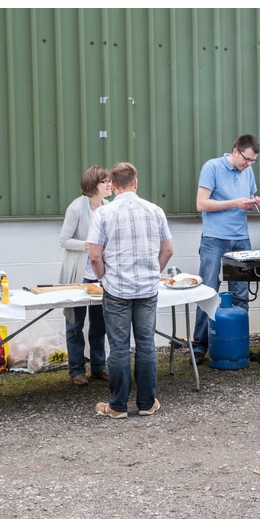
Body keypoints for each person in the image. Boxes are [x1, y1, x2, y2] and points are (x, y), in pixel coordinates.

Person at [87, 162, 174, 419]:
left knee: (119, 347)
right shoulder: (155, 210)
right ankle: (147, 403)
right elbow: (168, 250)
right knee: (146, 345)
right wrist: (152, 271)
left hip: (116, 290)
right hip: (147, 289)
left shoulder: (103, 213)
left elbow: (94, 256)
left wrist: (104, 277)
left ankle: (117, 406)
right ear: (136, 183)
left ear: (112, 186)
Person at [191, 134, 260, 364]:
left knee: (241, 294)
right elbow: (201, 203)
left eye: (253, 161)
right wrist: (235, 202)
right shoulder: (212, 167)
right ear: (235, 151)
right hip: (215, 239)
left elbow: (246, 202)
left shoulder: (248, 171)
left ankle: (239, 343)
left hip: (241, 238)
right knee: (208, 290)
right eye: (246, 159)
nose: (249, 164)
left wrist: (253, 203)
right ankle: (200, 345)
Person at [59, 166, 112, 386]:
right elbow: (64, 240)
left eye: (110, 181)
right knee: (75, 323)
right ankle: (77, 370)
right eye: (104, 181)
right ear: (92, 186)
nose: (109, 184)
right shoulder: (76, 208)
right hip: (78, 274)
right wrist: (87, 245)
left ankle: (99, 366)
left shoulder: (109, 207)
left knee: (100, 324)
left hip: (100, 275)